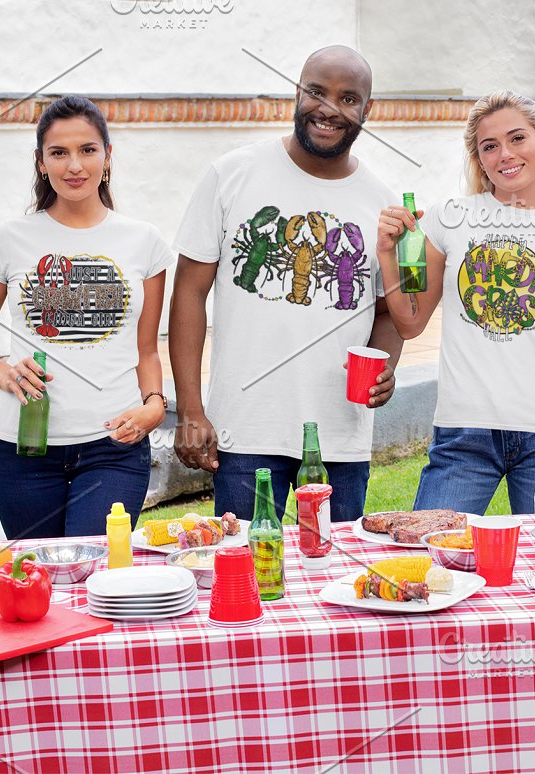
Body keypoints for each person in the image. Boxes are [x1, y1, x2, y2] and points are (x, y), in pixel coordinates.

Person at [171, 45, 402, 523]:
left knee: (335, 576)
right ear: (296, 94)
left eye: (348, 98)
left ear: (367, 109)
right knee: (249, 576)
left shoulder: (381, 200)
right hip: (245, 428)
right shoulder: (231, 174)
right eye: (317, 92)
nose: (329, 109)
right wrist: (191, 409)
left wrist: (385, 369)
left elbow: (388, 311)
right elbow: (189, 294)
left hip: (341, 433)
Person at [0, 95, 172, 539]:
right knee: (38, 583)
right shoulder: (6, 241)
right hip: (26, 450)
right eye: (59, 153)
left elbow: (147, 349)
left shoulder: (144, 243)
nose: (74, 165)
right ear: (41, 163)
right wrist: (4, 374)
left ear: (107, 157)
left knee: (95, 571)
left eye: (87, 150)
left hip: (114, 447)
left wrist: (155, 407)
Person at [376, 91, 535, 515]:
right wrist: (388, 254)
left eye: (517, 138)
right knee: (434, 562)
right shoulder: (450, 220)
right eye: (489, 146)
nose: (505, 155)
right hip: (464, 434)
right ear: (479, 159)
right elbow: (410, 321)